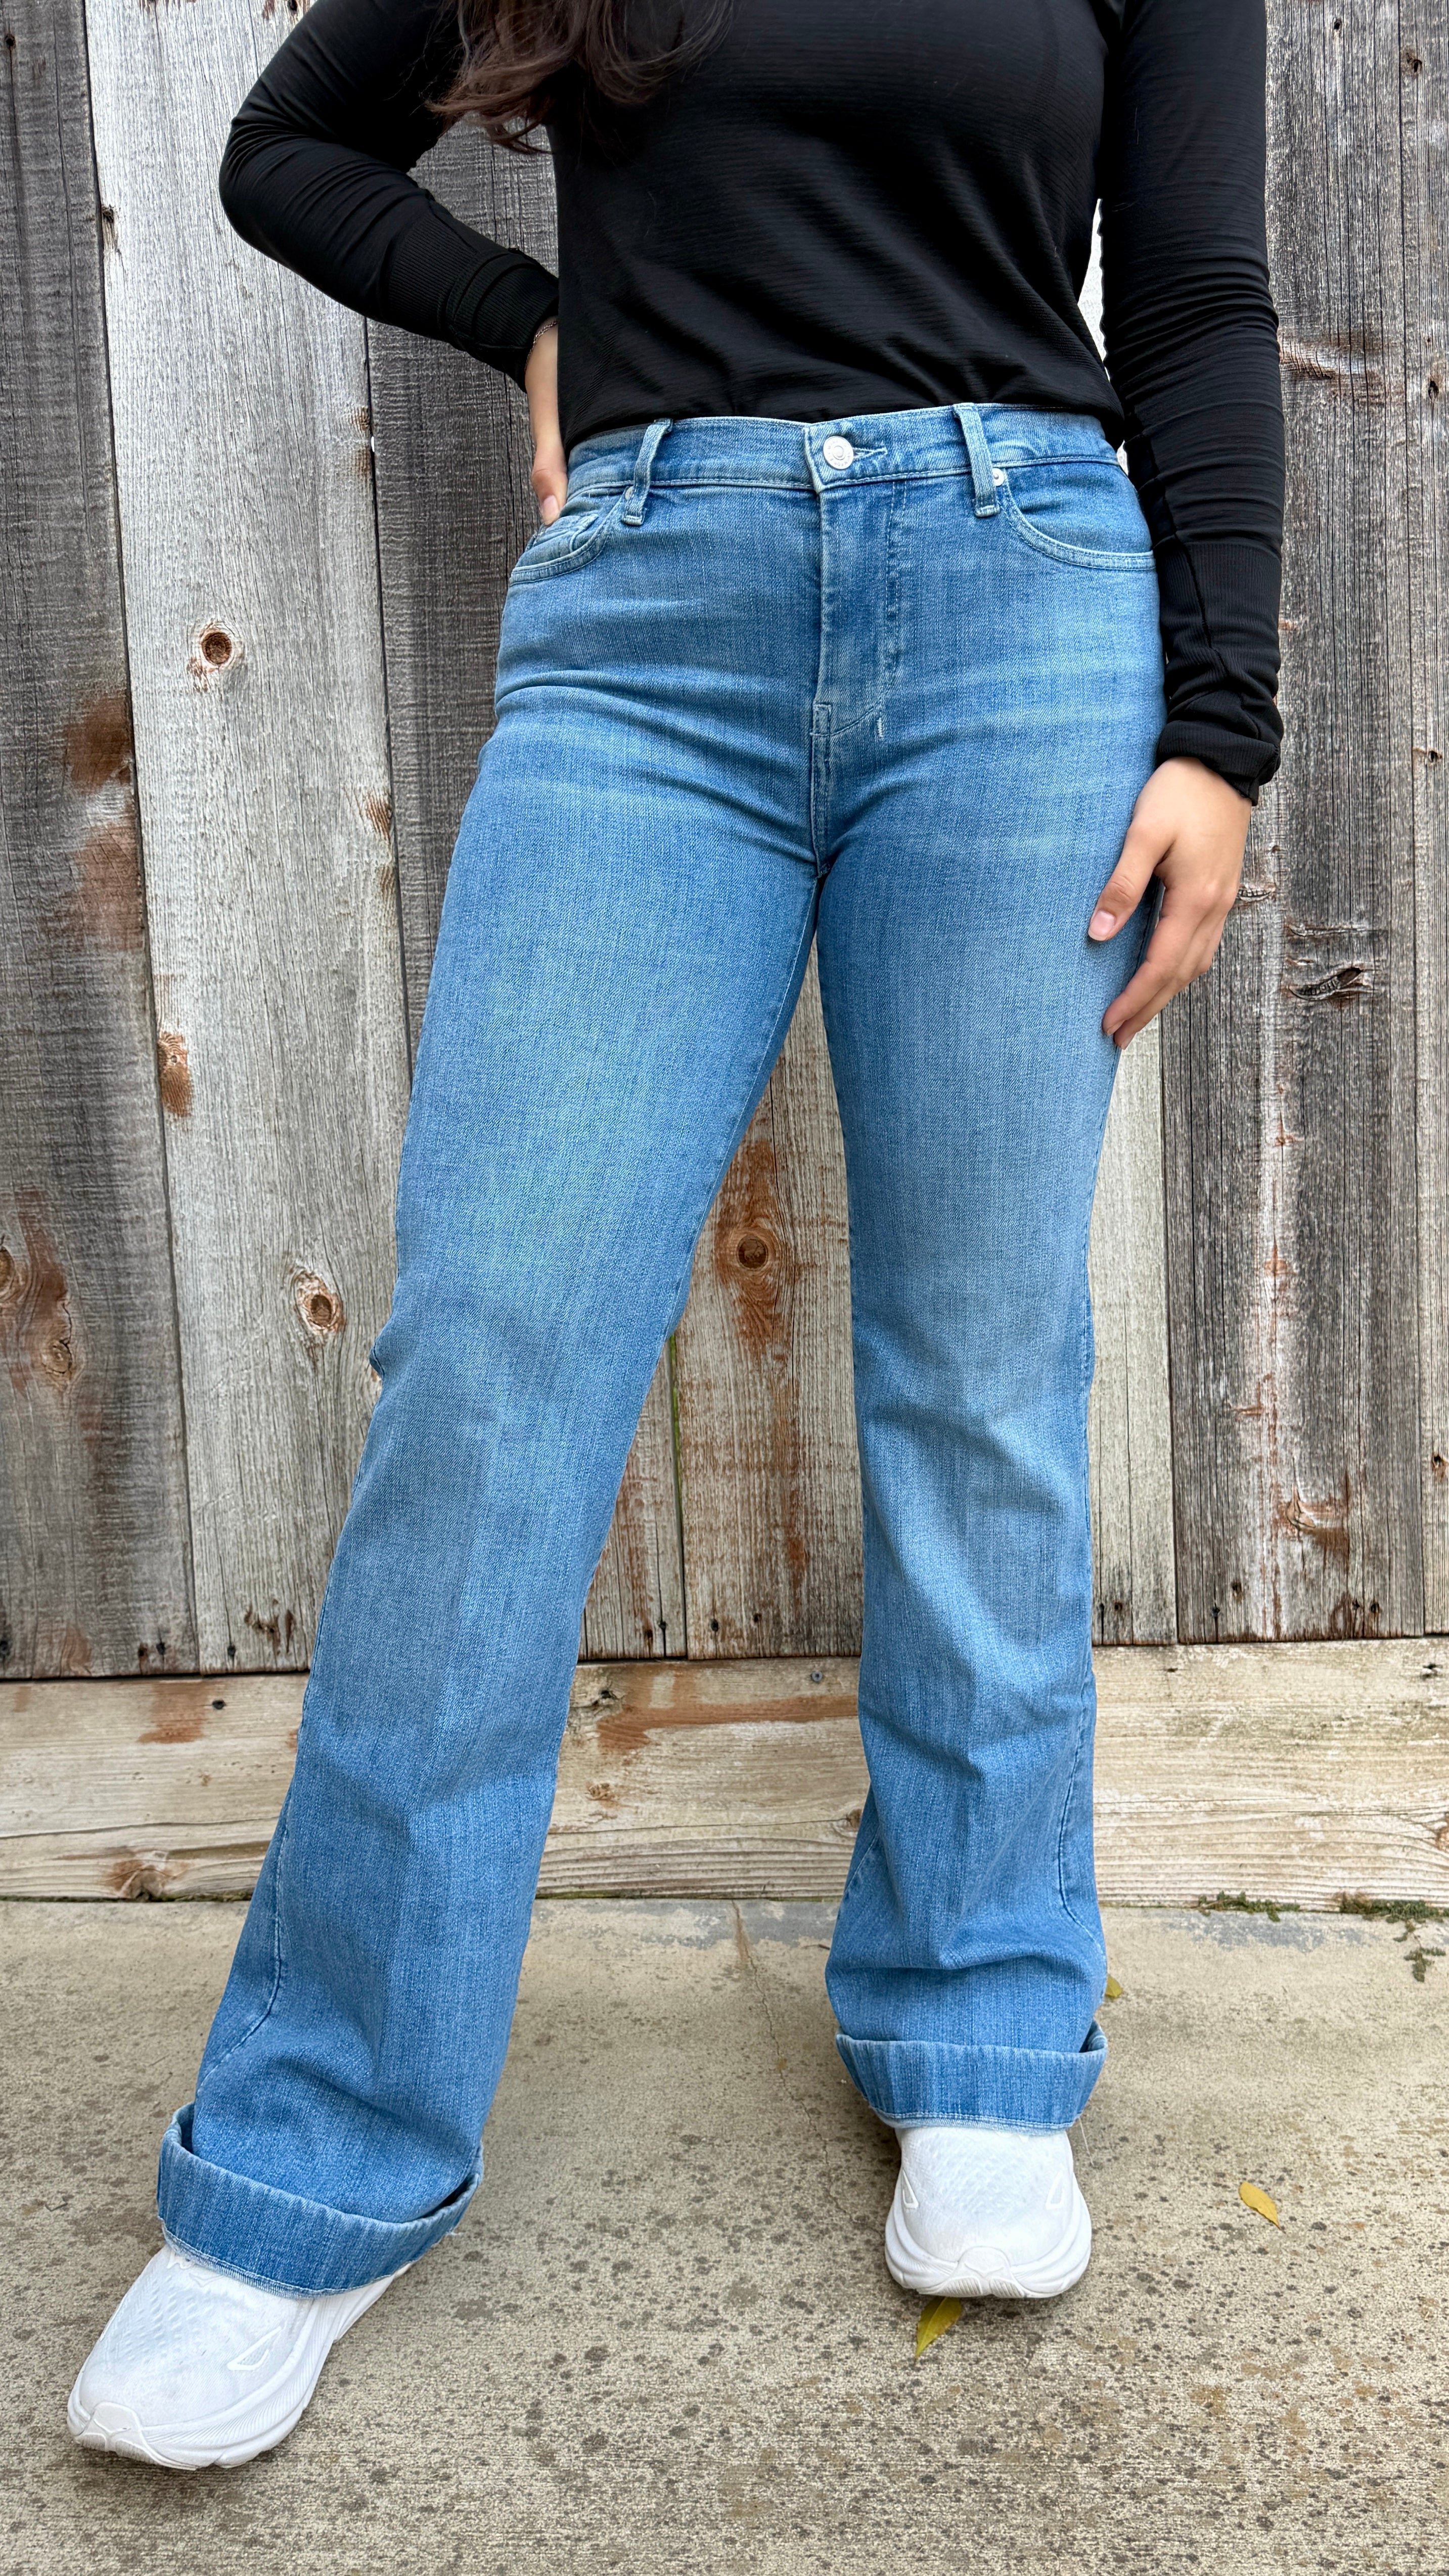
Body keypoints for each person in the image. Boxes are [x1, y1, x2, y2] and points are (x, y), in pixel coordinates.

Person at [69, 0, 1282, 2471]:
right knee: (489, 1369)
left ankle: (981, 2030)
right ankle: (308, 2155)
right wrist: (534, 320)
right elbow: (291, 144)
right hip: (650, 620)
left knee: (980, 1363)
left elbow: (1187, 291)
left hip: (1026, 603)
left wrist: (1221, 724)